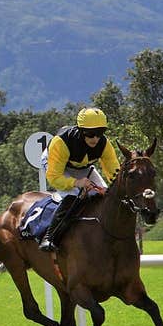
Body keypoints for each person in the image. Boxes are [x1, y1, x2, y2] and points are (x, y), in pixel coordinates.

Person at [38, 107, 119, 252]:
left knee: (105, 195)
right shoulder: (61, 142)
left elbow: (114, 172)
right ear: (81, 131)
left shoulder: (104, 144)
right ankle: (50, 237)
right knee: (73, 195)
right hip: (56, 166)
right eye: (91, 134)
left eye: (100, 133)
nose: (95, 138)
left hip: (83, 167)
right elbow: (54, 178)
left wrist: (118, 188)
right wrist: (76, 182)